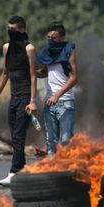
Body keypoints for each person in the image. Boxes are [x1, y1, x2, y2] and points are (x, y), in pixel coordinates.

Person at [0, 16, 37, 186]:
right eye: (9, 28)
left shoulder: (29, 49)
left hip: (25, 96)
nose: (11, 32)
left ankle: (14, 172)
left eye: (14, 29)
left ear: (22, 30)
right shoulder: (6, 47)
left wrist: (32, 101)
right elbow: (5, 73)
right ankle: (22, 171)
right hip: (13, 96)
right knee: (16, 135)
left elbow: (33, 76)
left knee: (18, 135)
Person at [36, 22, 77, 156]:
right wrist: (32, 72)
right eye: (48, 38)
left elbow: (73, 78)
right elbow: (44, 72)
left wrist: (57, 95)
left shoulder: (69, 51)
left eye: (53, 38)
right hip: (49, 102)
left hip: (65, 102)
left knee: (66, 140)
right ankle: (51, 171)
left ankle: (66, 170)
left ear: (62, 38)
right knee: (50, 141)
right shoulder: (48, 53)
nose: (50, 41)